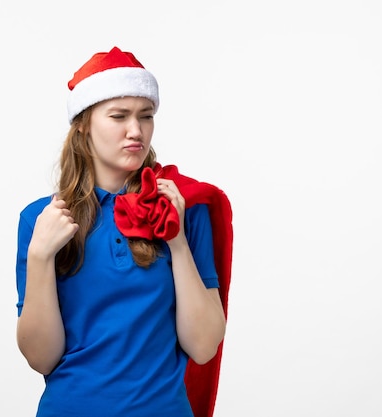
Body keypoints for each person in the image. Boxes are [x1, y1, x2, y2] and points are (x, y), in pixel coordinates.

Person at [15, 46, 233, 417]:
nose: (136, 131)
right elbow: (41, 358)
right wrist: (39, 257)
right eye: (119, 116)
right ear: (83, 123)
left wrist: (177, 241)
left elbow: (203, 345)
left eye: (146, 116)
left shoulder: (183, 208)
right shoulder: (41, 219)